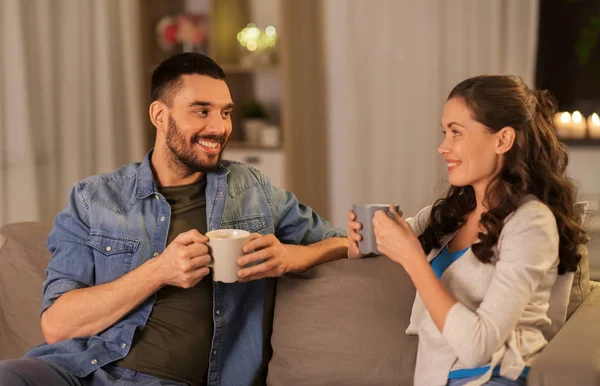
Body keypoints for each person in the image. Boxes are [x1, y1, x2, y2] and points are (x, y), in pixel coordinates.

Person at [0, 52, 348, 386]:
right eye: (201, 111)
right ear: (160, 115)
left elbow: (345, 241)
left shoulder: (251, 190)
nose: (219, 127)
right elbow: (57, 326)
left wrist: (293, 257)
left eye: (226, 112)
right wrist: (160, 271)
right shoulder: (93, 199)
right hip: (77, 369)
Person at [347, 75, 588, 386]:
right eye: (445, 133)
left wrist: (413, 260)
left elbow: (478, 348)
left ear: (503, 140)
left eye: (456, 133)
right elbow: (389, 238)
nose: (443, 147)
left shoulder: (531, 223)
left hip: (495, 376)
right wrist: (358, 244)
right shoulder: (452, 214)